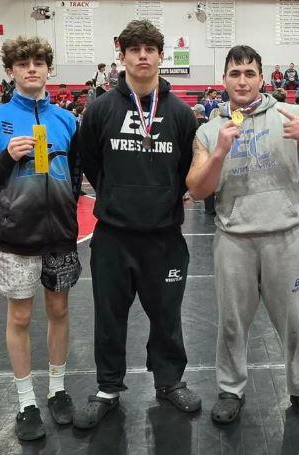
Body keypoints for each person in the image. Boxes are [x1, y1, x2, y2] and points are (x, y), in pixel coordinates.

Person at [186, 45, 299, 424]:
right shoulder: (209, 129)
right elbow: (198, 189)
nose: (242, 81)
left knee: (294, 321)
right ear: (224, 80)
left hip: (286, 236)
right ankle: (231, 389)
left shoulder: (292, 114)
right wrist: (219, 152)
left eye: (249, 73)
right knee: (231, 322)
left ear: (261, 78)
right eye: (235, 74)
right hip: (234, 240)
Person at [71, 20, 202, 430]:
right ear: (122, 55)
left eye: (150, 49)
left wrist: (162, 197)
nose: (142, 56)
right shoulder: (100, 110)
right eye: (134, 49)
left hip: (164, 236)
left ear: (161, 56)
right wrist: (117, 195)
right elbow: (89, 161)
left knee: (167, 314)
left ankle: (169, 380)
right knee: (109, 316)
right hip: (113, 235)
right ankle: (108, 387)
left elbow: (187, 168)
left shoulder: (181, 114)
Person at [0, 35, 81, 441]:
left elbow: (78, 176)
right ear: (10, 70)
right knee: (20, 317)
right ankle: (26, 400)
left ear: (48, 69)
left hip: (60, 236)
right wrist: (4, 157)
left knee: (59, 310)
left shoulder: (67, 121)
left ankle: (58, 389)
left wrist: (68, 214)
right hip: (16, 236)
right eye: (23, 63)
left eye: (38, 63)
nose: (32, 69)